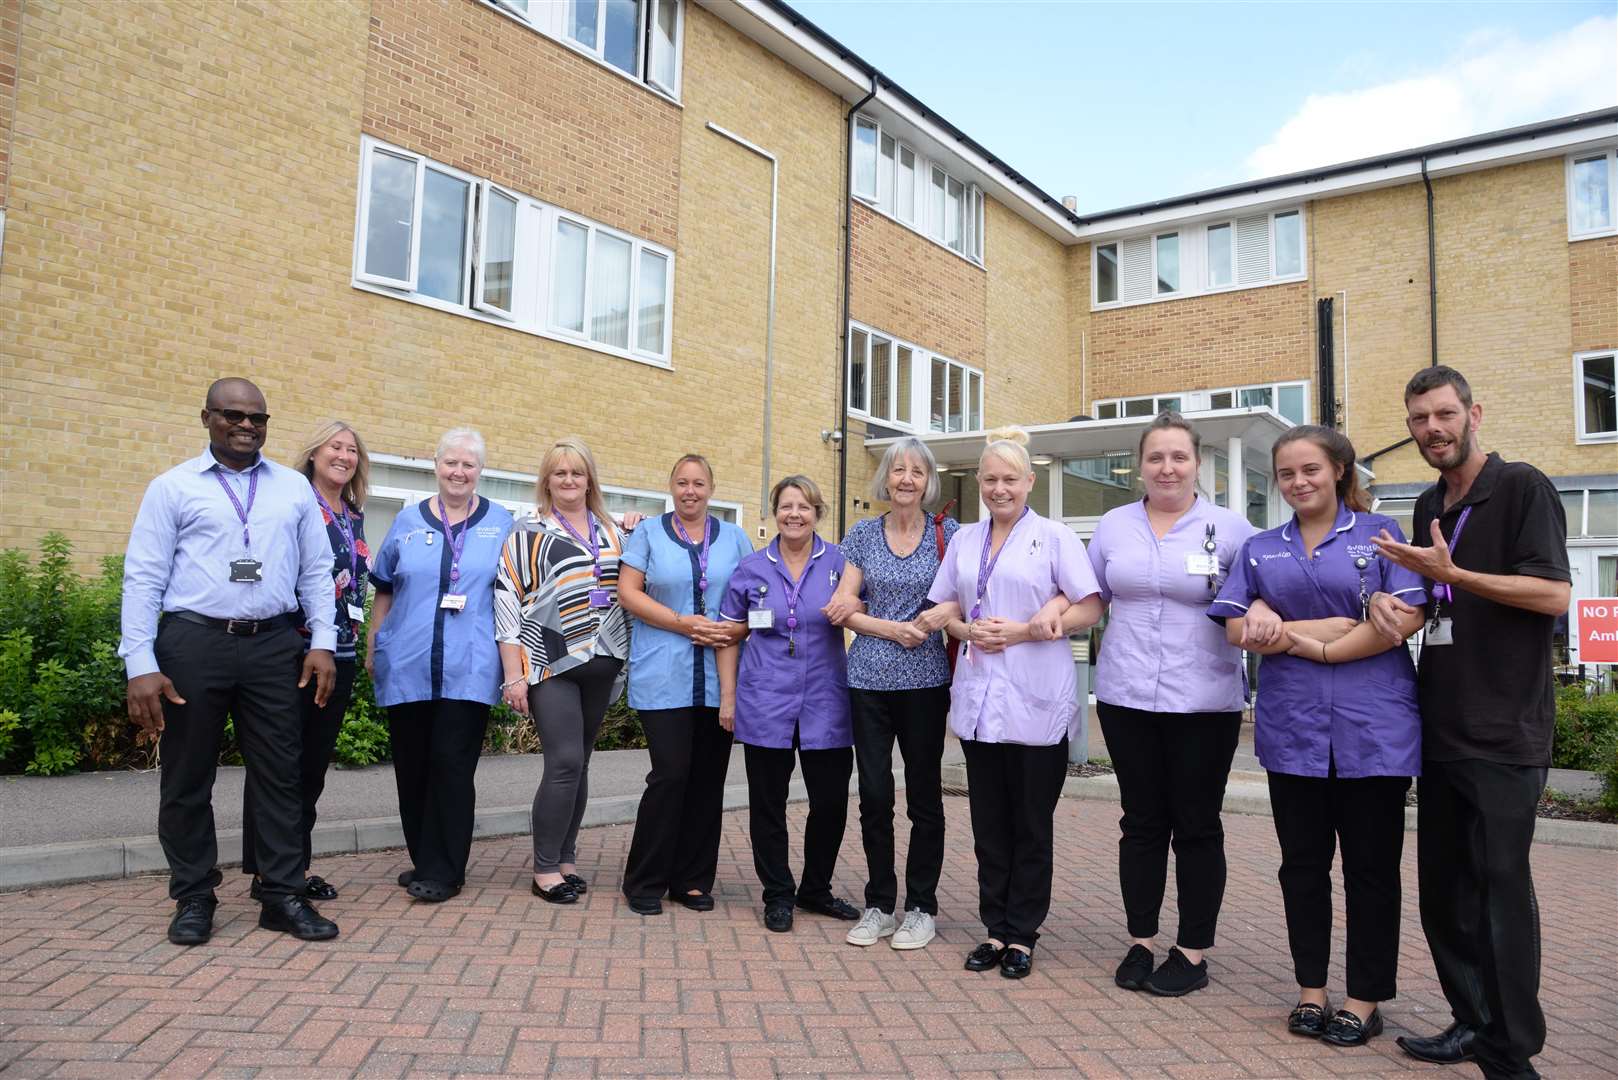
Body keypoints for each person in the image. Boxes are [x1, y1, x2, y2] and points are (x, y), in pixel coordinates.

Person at [1369, 366, 1570, 1080]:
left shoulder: (1521, 487)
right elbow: (1431, 598)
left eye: (1445, 414)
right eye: (1419, 418)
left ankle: (1511, 1052)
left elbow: (1551, 594)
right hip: (1442, 726)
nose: (1433, 429)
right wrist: (1389, 608)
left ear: (1473, 412)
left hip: (1505, 727)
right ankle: (1472, 1020)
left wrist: (1460, 573)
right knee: (1445, 896)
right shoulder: (1429, 500)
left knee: (1498, 891)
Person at [1211, 425, 1427, 1047]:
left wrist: (1295, 636)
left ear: (1338, 470)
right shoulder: (1259, 549)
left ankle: (1364, 999)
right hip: (1293, 728)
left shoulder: (1383, 538)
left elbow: (1399, 624)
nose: (1299, 482)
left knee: (1371, 870)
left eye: (1310, 469)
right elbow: (1233, 630)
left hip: (1374, 729)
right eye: (1286, 473)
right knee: (1302, 867)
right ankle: (1311, 990)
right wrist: (1329, 623)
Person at [119, 377, 340, 945]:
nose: (246, 425)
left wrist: (322, 641)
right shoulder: (172, 488)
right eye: (232, 415)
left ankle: (280, 894)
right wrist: (139, 662)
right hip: (194, 641)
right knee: (188, 774)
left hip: (273, 645)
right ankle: (194, 895)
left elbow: (316, 571)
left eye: (257, 417)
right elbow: (143, 577)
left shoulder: (293, 489)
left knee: (281, 775)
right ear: (206, 418)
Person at [922, 427, 1102, 979]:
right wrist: (964, 629)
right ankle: (994, 929)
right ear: (979, 483)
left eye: (1010, 479)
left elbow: (1089, 606)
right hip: (980, 702)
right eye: (990, 479)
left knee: (1030, 824)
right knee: (988, 825)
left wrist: (1024, 631)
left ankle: (1022, 935)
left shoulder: (1054, 538)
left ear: (1030, 482)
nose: (1000, 489)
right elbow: (945, 607)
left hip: (1034, 699)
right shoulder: (965, 541)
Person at [1086, 413, 1256, 996]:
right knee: (1140, 822)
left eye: (1178, 457)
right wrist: (1033, 625)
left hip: (1204, 702)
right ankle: (1141, 941)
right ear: (1140, 465)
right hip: (1126, 695)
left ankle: (1192, 950)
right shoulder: (1112, 525)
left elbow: (1258, 602)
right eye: (1155, 457)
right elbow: (1088, 598)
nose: (1167, 467)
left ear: (1197, 463)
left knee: (1197, 825)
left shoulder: (1231, 528)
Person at [822, 437, 957, 951]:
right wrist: (893, 629)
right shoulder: (861, 534)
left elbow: (961, 598)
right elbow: (842, 607)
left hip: (925, 684)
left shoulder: (950, 534)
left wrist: (942, 615)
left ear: (928, 482)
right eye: (897, 470)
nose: (905, 479)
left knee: (924, 797)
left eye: (916, 472)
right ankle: (879, 903)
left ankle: (921, 907)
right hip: (868, 682)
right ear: (885, 478)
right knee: (875, 795)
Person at [368, 428, 514, 904]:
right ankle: (425, 858)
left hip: (468, 667)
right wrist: (375, 644)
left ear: (480, 471)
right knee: (411, 768)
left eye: (468, 465)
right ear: (436, 465)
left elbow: (516, 593)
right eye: (451, 462)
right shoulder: (408, 521)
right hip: (407, 663)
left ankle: (446, 870)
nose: (458, 471)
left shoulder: (504, 524)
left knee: (451, 766)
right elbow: (385, 586)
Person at [717, 475, 860, 933]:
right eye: (785, 506)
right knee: (768, 805)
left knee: (831, 803)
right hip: (764, 701)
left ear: (817, 512)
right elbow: (727, 636)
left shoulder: (841, 563)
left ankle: (815, 889)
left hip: (827, 702)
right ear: (774, 513)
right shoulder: (752, 568)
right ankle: (777, 893)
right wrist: (728, 698)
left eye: (803, 506)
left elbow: (872, 613)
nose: (794, 514)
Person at [242, 420, 372, 904]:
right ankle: (270, 874)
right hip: (292, 652)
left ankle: (292, 865)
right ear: (314, 452)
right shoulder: (294, 502)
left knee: (312, 769)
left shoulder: (354, 514)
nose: (343, 455)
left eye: (352, 450)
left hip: (340, 654)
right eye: (334, 447)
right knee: (279, 768)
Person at [497, 437, 631, 905]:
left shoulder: (615, 531)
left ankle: (567, 857)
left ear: (589, 478)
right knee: (564, 763)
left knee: (583, 762)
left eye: (577, 472)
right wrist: (513, 674)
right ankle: (545, 868)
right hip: (549, 662)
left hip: (604, 658)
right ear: (547, 481)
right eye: (560, 473)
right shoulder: (526, 531)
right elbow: (507, 601)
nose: (569, 480)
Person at [617, 455, 753, 915]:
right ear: (670, 487)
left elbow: (754, 598)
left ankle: (692, 880)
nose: (690, 490)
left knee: (707, 781)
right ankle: (645, 879)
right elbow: (629, 592)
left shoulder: (735, 538)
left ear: (711, 488)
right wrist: (682, 623)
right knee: (670, 774)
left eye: (698, 483)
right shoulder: (649, 533)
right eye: (681, 482)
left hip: (721, 678)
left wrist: (735, 630)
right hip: (663, 673)